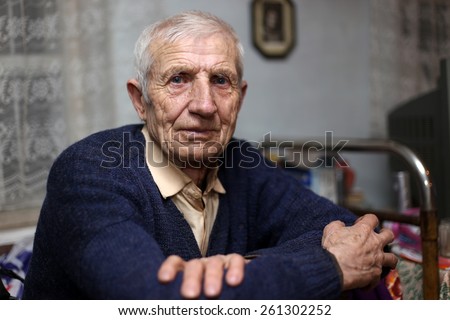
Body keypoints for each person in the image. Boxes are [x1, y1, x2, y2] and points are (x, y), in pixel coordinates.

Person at [23, 10, 397, 299]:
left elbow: (364, 237)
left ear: (240, 97)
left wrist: (244, 266)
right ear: (141, 100)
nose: (204, 105)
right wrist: (328, 266)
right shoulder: (88, 170)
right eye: (178, 79)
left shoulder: (241, 163)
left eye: (221, 81)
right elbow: (156, 301)